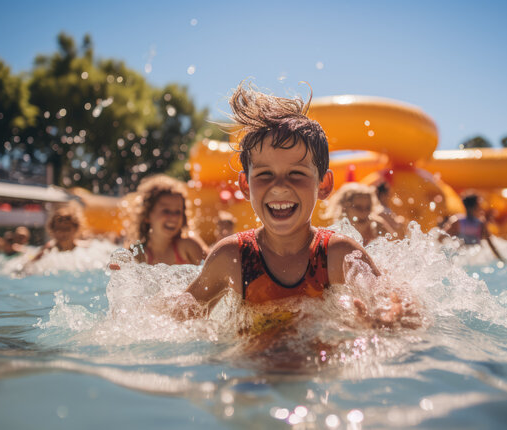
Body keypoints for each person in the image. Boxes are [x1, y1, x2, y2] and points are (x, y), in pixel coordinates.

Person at [152, 81, 414, 328]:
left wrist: (387, 322)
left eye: (296, 174)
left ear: (323, 184)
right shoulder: (232, 257)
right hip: (249, 373)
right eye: (265, 174)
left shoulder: (338, 255)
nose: (279, 186)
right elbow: (175, 323)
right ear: (245, 185)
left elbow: (398, 313)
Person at [127, 174, 208, 265]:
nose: (174, 217)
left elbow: (213, 275)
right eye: (166, 211)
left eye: (178, 212)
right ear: (147, 216)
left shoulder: (187, 246)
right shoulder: (137, 254)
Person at [325, 182, 396, 245]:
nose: (364, 212)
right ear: (345, 208)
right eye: (358, 207)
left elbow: (396, 245)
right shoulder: (338, 230)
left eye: (368, 207)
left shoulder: (377, 225)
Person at [442, 194, 505, 262]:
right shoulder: (458, 222)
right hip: (463, 257)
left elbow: (491, 245)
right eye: (479, 207)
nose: (482, 209)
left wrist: (501, 259)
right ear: (471, 208)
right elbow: (441, 238)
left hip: (473, 257)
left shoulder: (480, 224)